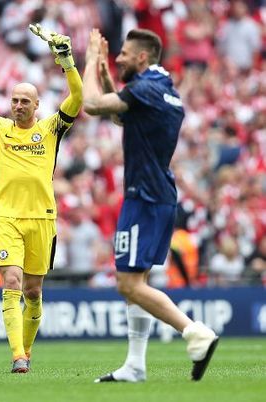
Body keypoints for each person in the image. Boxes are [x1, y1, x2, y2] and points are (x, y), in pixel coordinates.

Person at [82, 28, 218, 382]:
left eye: (124, 54)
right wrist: (107, 74)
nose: (119, 58)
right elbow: (122, 113)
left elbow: (94, 106)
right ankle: (135, 365)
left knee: (128, 285)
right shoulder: (162, 90)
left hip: (143, 197)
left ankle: (195, 334)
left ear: (142, 57)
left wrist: (90, 59)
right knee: (136, 280)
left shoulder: (145, 89)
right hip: (158, 194)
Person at [0, 24, 82, 373]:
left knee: (34, 292)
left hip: (42, 218)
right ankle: (17, 355)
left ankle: (25, 348)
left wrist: (67, 61)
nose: (18, 105)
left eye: (25, 101)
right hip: (7, 216)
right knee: (11, 281)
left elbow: (78, 99)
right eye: (14, 100)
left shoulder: (52, 128)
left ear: (38, 106)